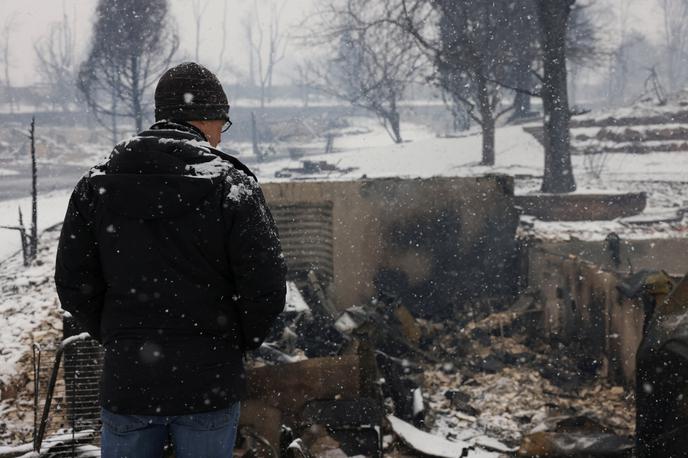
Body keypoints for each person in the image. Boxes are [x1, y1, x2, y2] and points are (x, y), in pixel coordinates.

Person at [55, 62, 286, 457]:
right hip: (208, 384)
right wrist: (234, 343)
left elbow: (74, 284)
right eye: (222, 125)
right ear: (209, 119)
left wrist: (120, 336)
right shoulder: (233, 187)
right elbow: (264, 288)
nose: (219, 138)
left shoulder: (96, 184)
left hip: (129, 383)